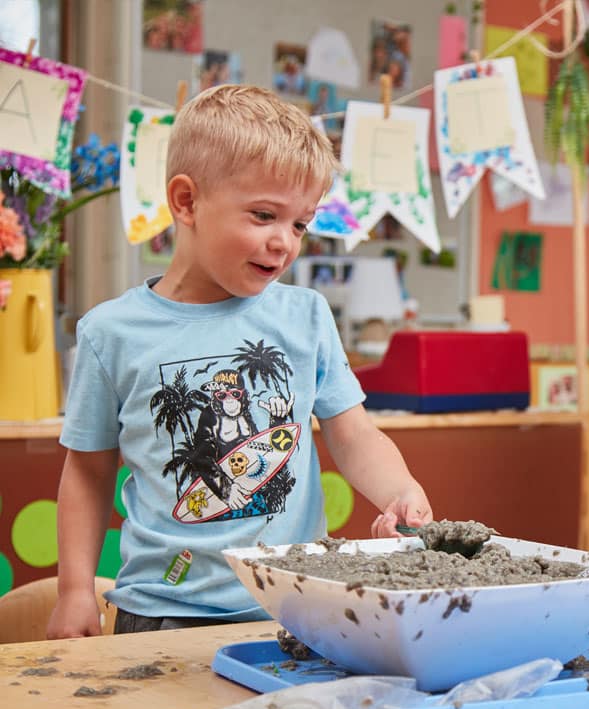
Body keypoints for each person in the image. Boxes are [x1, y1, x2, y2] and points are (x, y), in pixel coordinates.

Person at [47, 85, 432, 639]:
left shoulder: (307, 315)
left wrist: (400, 489)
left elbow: (354, 436)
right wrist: (76, 589)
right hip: (162, 613)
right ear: (186, 202)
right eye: (263, 215)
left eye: (300, 224)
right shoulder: (111, 333)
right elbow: (87, 471)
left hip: (296, 606)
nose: (284, 243)